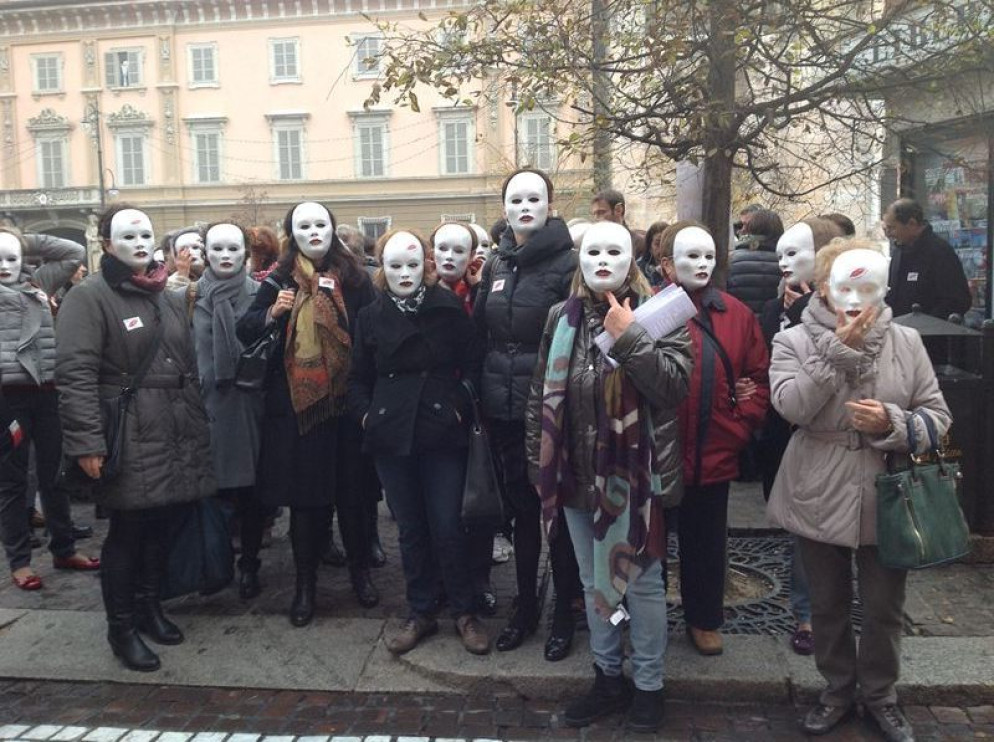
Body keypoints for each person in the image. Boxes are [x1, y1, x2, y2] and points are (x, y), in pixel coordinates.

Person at [768, 238, 950, 742]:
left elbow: (937, 415)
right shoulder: (793, 341)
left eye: (867, 288)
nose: (854, 300)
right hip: (817, 484)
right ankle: (837, 692)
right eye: (843, 288)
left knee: (884, 607)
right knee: (826, 604)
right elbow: (790, 407)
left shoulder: (906, 342)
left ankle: (881, 696)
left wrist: (892, 421)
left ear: (883, 289)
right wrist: (837, 353)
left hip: (886, 488)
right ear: (823, 288)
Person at [527, 222, 692, 732]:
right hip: (576, 474)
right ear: (580, 258)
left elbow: (673, 388)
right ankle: (607, 677)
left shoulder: (661, 312)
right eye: (592, 251)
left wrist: (630, 336)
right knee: (592, 579)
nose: (602, 260)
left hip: (635, 481)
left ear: (632, 258)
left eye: (613, 251)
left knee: (640, 585)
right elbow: (540, 394)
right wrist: (539, 465)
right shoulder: (561, 317)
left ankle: (648, 684)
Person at [56, 204, 216, 672]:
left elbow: (185, 364)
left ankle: (149, 606)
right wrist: (88, 443)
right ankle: (121, 627)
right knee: (127, 532)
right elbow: (75, 374)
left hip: (172, 430)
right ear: (107, 244)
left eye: (146, 234)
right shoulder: (89, 296)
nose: (140, 243)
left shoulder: (166, 294)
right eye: (128, 236)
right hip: (127, 432)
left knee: (161, 526)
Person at [237, 201, 378, 627]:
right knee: (306, 504)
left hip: (347, 405)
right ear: (291, 233)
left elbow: (373, 331)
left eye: (321, 224)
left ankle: (360, 574)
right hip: (299, 411)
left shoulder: (355, 277)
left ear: (332, 230)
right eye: (304, 225)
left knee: (353, 500)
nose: (314, 231)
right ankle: (305, 586)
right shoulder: (280, 278)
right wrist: (273, 312)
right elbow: (246, 328)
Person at [348, 229, 489, 655]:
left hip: (440, 430)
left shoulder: (447, 307)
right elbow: (357, 378)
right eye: (395, 266)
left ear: (425, 265)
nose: (404, 273)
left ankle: (464, 611)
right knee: (410, 529)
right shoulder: (370, 317)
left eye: (412, 265)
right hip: (392, 434)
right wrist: (367, 416)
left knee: (448, 525)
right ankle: (421, 610)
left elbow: (474, 364)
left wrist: (459, 405)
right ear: (382, 269)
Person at [475, 168, 583, 660]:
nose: (524, 207)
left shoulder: (569, 264)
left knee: (556, 511)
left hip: (551, 408)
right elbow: (483, 331)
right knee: (520, 512)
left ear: (549, 205)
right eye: (515, 199)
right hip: (502, 407)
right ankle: (525, 605)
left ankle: (564, 609)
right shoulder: (497, 262)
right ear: (504, 207)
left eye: (533, 199)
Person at [653, 221, 769, 656]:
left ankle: (703, 618)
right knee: (651, 544)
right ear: (667, 264)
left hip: (714, 450)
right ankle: (649, 618)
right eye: (691, 256)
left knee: (706, 542)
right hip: (658, 453)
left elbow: (759, 376)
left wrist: (738, 424)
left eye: (708, 256)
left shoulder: (737, 314)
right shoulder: (648, 309)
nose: (702, 264)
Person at [757, 216, 844, 656]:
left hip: (843, 436)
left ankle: (829, 613)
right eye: (781, 255)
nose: (784, 264)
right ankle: (807, 614)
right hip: (791, 433)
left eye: (795, 253)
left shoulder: (850, 307)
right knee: (803, 532)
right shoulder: (774, 308)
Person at [0, 229, 98, 590]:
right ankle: (20, 561)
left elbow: (73, 251)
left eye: (11, 257)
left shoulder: (38, 282)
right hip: (7, 399)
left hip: (46, 392)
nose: (4, 265)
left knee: (54, 474)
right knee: (13, 481)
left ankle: (64, 548)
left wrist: (17, 238)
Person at [191, 222, 267, 600]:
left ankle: (249, 564)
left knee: (251, 494)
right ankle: (214, 563)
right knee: (212, 493)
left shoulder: (261, 295)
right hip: (205, 408)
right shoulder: (187, 297)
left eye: (233, 248)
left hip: (250, 407)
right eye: (217, 248)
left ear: (245, 253)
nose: (225, 255)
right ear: (205, 252)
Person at [883, 198, 971, 320]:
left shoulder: (940, 252)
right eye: (885, 229)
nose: (888, 234)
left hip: (931, 329)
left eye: (892, 228)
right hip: (899, 327)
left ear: (912, 224)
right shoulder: (899, 252)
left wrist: (925, 323)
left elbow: (958, 300)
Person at [726, 208, 784, 314]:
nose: (741, 230)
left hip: (739, 320)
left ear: (751, 228)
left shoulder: (731, 260)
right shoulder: (786, 262)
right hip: (775, 322)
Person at [590, 189, 646, 258]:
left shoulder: (640, 244)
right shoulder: (592, 244)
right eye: (594, 214)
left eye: (601, 212)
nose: (596, 218)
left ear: (619, 210)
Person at [637, 220, 668, 288]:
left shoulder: (676, 267)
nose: (662, 249)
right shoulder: (639, 268)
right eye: (657, 244)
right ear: (650, 247)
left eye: (666, 244)